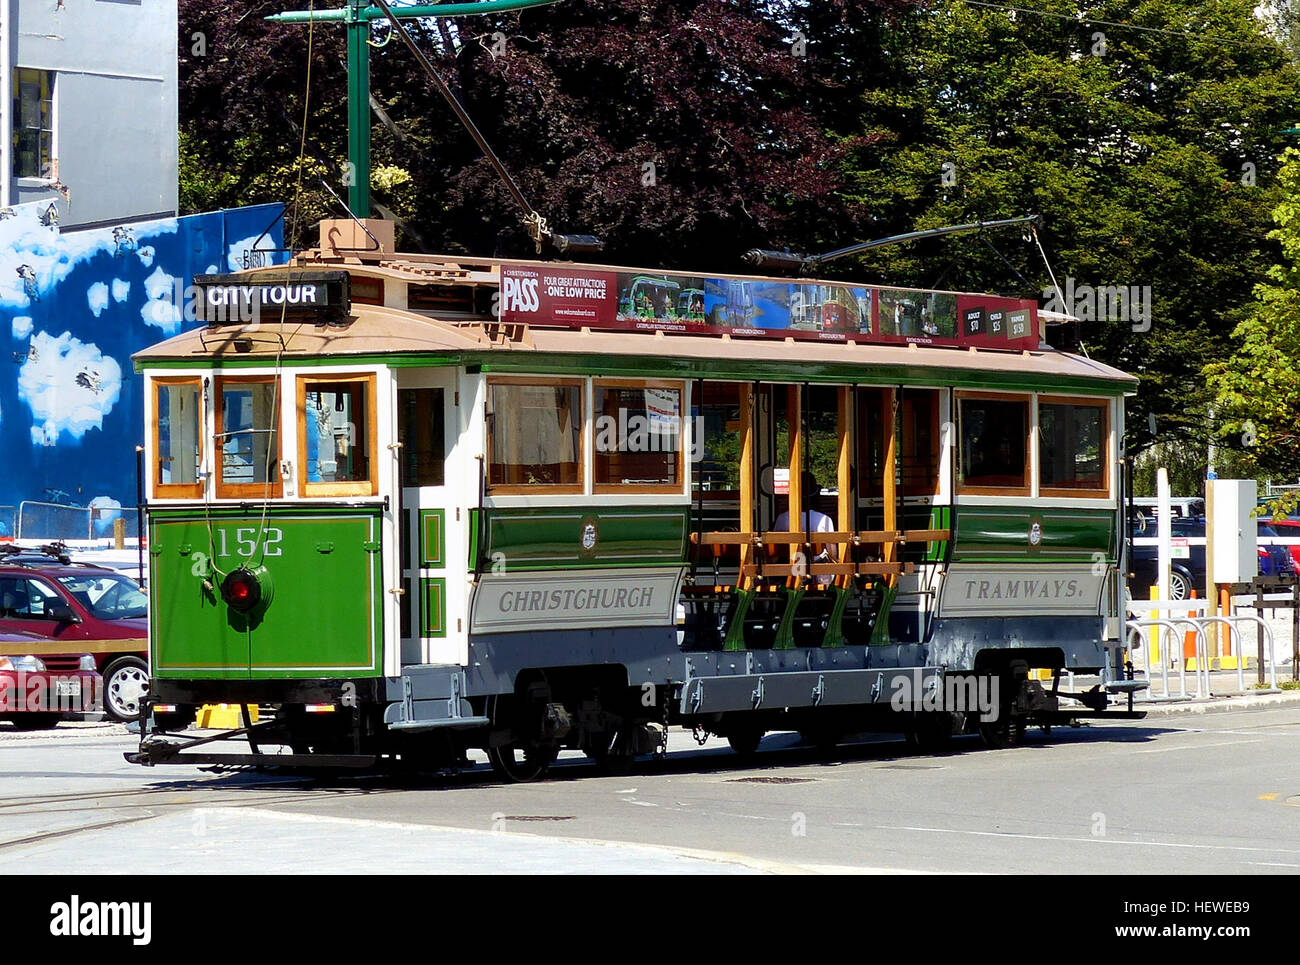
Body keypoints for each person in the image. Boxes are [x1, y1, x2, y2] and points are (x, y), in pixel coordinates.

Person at [773, 471, 836, 584]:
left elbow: (776, 551)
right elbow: (832, 554)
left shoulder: (782, 518)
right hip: (819, 577)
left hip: (788, 575)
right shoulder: (825, 520)